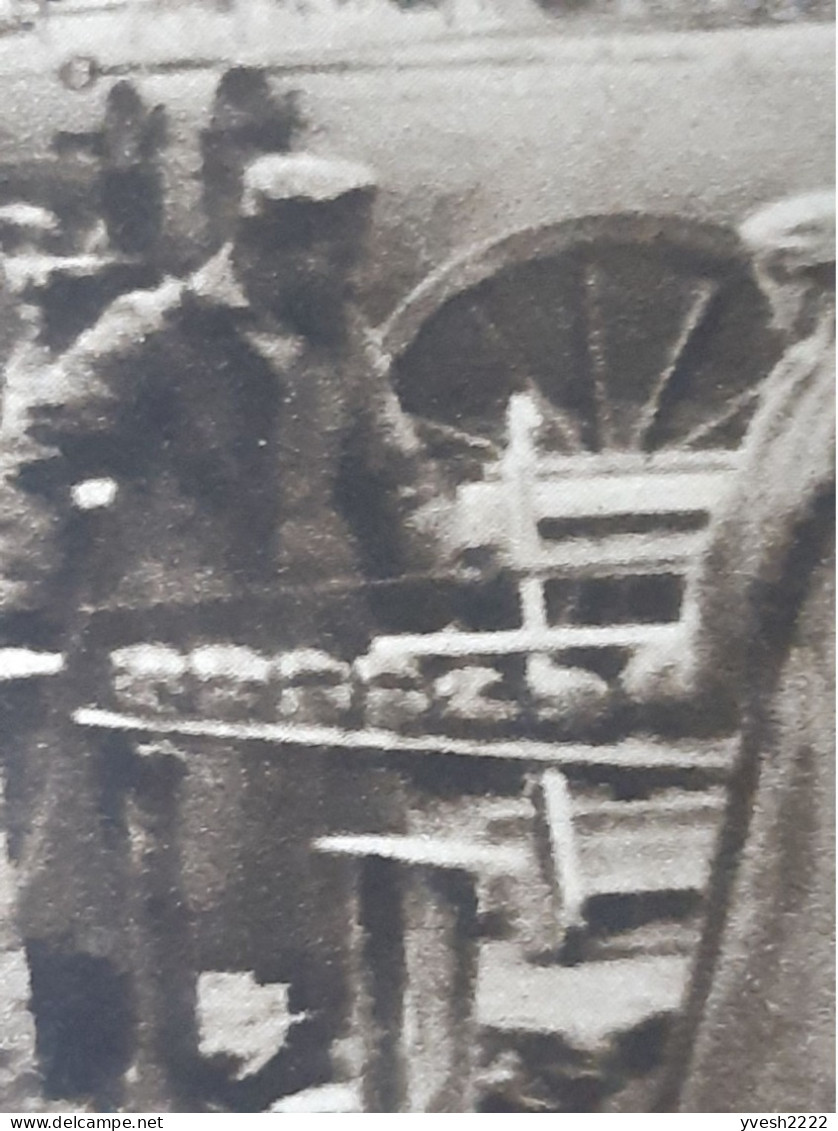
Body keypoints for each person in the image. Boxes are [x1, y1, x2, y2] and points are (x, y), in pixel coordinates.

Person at [7, 153, 453, 1108]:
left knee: (326, 854)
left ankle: (314, 1054)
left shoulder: (344, 341)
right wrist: (26, 581)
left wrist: (449, 547)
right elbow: (28, 450)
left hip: (309, 629)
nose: (352, 277)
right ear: (264, 247)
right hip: (169, 629)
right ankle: (122, 1073)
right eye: (334, 258)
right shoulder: (155, 331)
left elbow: (395, 469)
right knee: (137, 862)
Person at [622, 190, 835, 1113]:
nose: (772, 312)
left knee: (805, 920)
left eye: (773, 289)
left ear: (805, 283)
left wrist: (692, 672)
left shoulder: (822, 377)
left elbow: (752, 539)